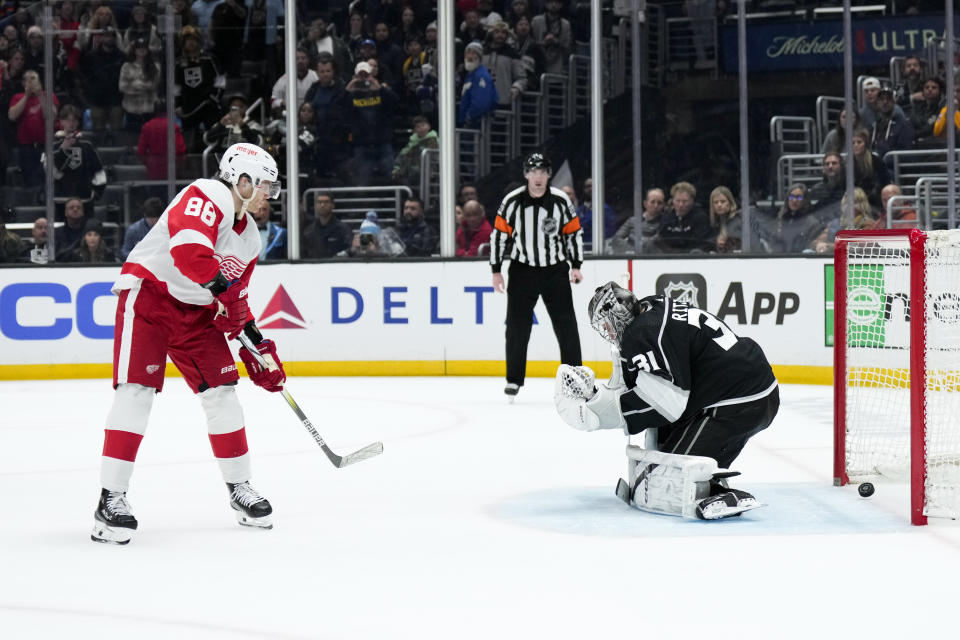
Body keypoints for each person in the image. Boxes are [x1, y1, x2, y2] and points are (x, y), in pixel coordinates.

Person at [91, 143, 285, 545]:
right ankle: (111, 499)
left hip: (196, 315)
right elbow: (189, 254)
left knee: (223, 394)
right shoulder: (206, 193)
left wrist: (255, 344)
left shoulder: (249, 237)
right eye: (266, 184)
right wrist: (226, 294)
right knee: (137, 391)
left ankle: (240, 488)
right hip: (151, 297)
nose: (270, 193)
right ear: (242, 180)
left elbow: (232, 301)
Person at [553, 281, 778, 520]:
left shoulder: (643, 332)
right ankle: (707, 474)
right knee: (663, 449)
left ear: (619, 316)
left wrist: (597, 415)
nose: (607, 333)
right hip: (740, 388)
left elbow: (666, 405)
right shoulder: (651, 308)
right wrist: (599, 397)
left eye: (607, 325)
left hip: (739, 399)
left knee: (669, 483)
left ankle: (715, 490)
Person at [490, 152, 583, 400]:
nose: (538, 177)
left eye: (543, 172)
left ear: (549, 175)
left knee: (567, 325)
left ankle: (575, 379)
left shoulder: (561, 201)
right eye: (534, 171)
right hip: (522, 270)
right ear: (526, 174)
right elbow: (499, 236)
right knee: (517, 328)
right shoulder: (512, 201)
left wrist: (576, 264)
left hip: (555, 269)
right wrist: (496, 270)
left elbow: (573, 234)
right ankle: (514, 380)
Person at [345, 61, 398, 185]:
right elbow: (339, 110)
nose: (363, 79)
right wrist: (347, 90)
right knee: (362, 182)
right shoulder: (351, 94)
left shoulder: (381, 90)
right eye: (360, 76)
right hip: (361, 145)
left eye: (366, 75)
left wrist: (380, 89)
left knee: (392, 179)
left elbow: (395, 104)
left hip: (383, 143)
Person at [49, 104, 106, 215]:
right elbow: (51, 172)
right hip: (60, 199)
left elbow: (99, 171)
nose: (71, 123)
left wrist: (95, 192)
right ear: (61, 121)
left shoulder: (86, 144)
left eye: (74, 120)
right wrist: (62, 150)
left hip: (85, 198)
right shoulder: (53, 144)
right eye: (67, 119)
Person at [7, 69, 58, 188]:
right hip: (26, 147)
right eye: (27, 79)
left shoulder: (49, 95)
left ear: (39, 81)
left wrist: (40, 96)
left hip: (45, 146)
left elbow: (51, 116)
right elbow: (12, 116)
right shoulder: (17, 97)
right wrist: (26, 96)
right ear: (23, 83)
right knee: (29, 180)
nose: (30, 82)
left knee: (45, 178)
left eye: (33, 78)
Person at [174, 25, 224, 143]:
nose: (190, 43)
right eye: (187, 40)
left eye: (193, 39)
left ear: (198, 41)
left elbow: (220, 81)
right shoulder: (179, 63)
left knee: (214, 138)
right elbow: (176, 87)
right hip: (189, 107)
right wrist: (178, 105)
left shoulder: (209, 58)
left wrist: (214, 98)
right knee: (190, 140)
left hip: (208, 105)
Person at [655, 181, 713, 253]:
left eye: (685, 201)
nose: (681, 205)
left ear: (692, 201)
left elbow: (701, 244)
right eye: (678, 201)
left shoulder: (701, 218)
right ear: (672, 200)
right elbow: (661, 240)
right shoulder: (666, 218)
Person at [764, 183, 823, 254]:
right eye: (791, 197)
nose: (794, 200)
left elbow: (810, 248)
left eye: (799, 197)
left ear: (805, 200)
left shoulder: (812, 223)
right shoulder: (781, 219)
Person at [137, 101, 188, 180]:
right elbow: (180, 150)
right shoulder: (172, 126)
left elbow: (140, 151)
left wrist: (148, 162)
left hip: (153, 168)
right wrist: (180, 166)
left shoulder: (147, 126)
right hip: (171, 167)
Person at [118, 38, 161, 131]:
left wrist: (135, 84)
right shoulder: (126, 66)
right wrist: (143, 86)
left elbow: (154, 85)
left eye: (144, 47)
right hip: (131, 109)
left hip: (149, 109)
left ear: (148, 49)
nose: (141, 49)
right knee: (132, 138)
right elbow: (122, 87)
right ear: (134, 50)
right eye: (138, 47)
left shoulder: (155, 66)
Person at [609, 187, 665, 254]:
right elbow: (616, 239)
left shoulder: (665, 223)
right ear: (645, 204)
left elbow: (654, 242)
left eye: (659, 203)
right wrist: (633, 252)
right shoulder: (632, 221)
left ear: (663, 205)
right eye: (652, 202)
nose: (656, 206)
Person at [457, 42, 498, 127]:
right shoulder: (470, 75)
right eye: (468, 53)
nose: (470, 56)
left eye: (474, 53)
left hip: (476, 125)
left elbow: (481, 103)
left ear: (479, 57)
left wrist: (469, 116)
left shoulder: (481, 75)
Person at [302, 191, 352, 259]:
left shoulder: (343, 229)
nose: (322, 205)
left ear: (333, 205)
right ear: (315, 205)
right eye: (319, 202)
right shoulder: (308, 231)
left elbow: (349, 251)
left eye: (326, 202)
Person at [392, 115, 438, 185]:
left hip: (428, 171)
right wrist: (397, 168)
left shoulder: (433, 140)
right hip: (411, 172)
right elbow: (402, 155)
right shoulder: (411, 142)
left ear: (428, 126)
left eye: (423, 125)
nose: (421, 128)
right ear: (415, 130)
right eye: (418, 126)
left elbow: (434, 159)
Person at [270, 48, 318, 112]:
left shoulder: (315, 77)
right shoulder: (284, 79)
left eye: (303, 58)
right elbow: (273, 101)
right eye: (297, 58)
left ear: (308, 60)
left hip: (311, 116)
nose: (300, 61)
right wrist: (282, 102)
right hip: (290, 117)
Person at [576, 177, 617, 252]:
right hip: (582, 249)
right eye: (588, 186)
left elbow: (609, 231)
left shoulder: (605, 209)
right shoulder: (579, 211)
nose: (591, 189)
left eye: (593, 186)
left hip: (600, 250)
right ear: (584, 190)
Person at [870, 87, 914, 156]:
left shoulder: (903, 125)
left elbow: (905, 151)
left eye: (889, 99)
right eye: (882, 99)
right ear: (877, 102)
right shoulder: (874, 126)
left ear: (894, 102)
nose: (885, 102)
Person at [531, 0, 571, 74]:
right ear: (546, 4)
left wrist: (556, 41)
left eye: (557, 2)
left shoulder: (565, 24)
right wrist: (543, 42)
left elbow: (567, 47)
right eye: (551, 2)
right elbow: (530, 43)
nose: (554, 5)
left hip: (557, 63)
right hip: (537, 62)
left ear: (561, 5)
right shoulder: (536, 21)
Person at [910, 76, 946, 142]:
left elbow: (932, 128)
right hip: (917, 145)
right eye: (927, 87)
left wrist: (917, 134)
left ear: (940, 91)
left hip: (937, 145)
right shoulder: (916, 108)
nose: (930, 89)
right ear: (923, 91)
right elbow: (911, 126)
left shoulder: (943, 107)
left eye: (934, 87)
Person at [708, 186, 740, 253]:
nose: (719, 205)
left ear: (730, 202)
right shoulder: (713, 223)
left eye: (723, 201)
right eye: (716, 202)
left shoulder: (739, 221)